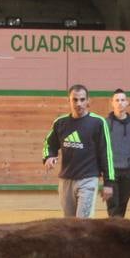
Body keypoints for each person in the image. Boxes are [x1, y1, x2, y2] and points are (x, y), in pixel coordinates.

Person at [43, 84, 115, 219]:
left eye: (82, 100)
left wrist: (108, 183)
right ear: (69, 101)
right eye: (75, 100)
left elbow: (107, 154)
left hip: (88, 180)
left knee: (82, 224)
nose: (79, 104)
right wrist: (49, 156)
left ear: (88, 101)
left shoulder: (98, 123)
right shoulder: (60, 123)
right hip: (66, 181)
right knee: (69, 224)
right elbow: (49, 143)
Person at [105, 89, 130, 217]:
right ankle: (113, 233)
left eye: (122, 100)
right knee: (113, 206)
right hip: (111, 171)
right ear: (112, 103)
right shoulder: (105, 123)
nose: (120, 103)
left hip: (128, 172)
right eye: (117, 100)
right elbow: (100, 146)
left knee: (122, 204)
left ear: (127, 103)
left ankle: (119, 232)